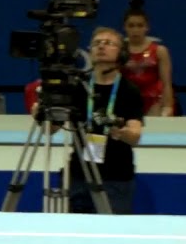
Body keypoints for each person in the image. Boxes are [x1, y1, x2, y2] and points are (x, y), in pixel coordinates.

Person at [35, 27, 145, 214]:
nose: (101, 46)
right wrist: (41, 113)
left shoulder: (129, 91)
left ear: (122, 53)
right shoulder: (78, 86)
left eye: (108, 43)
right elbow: (50, 129)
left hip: (116, 177)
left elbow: (135, 136)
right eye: (96, 43)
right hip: (78, 174)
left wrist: (118, 131)